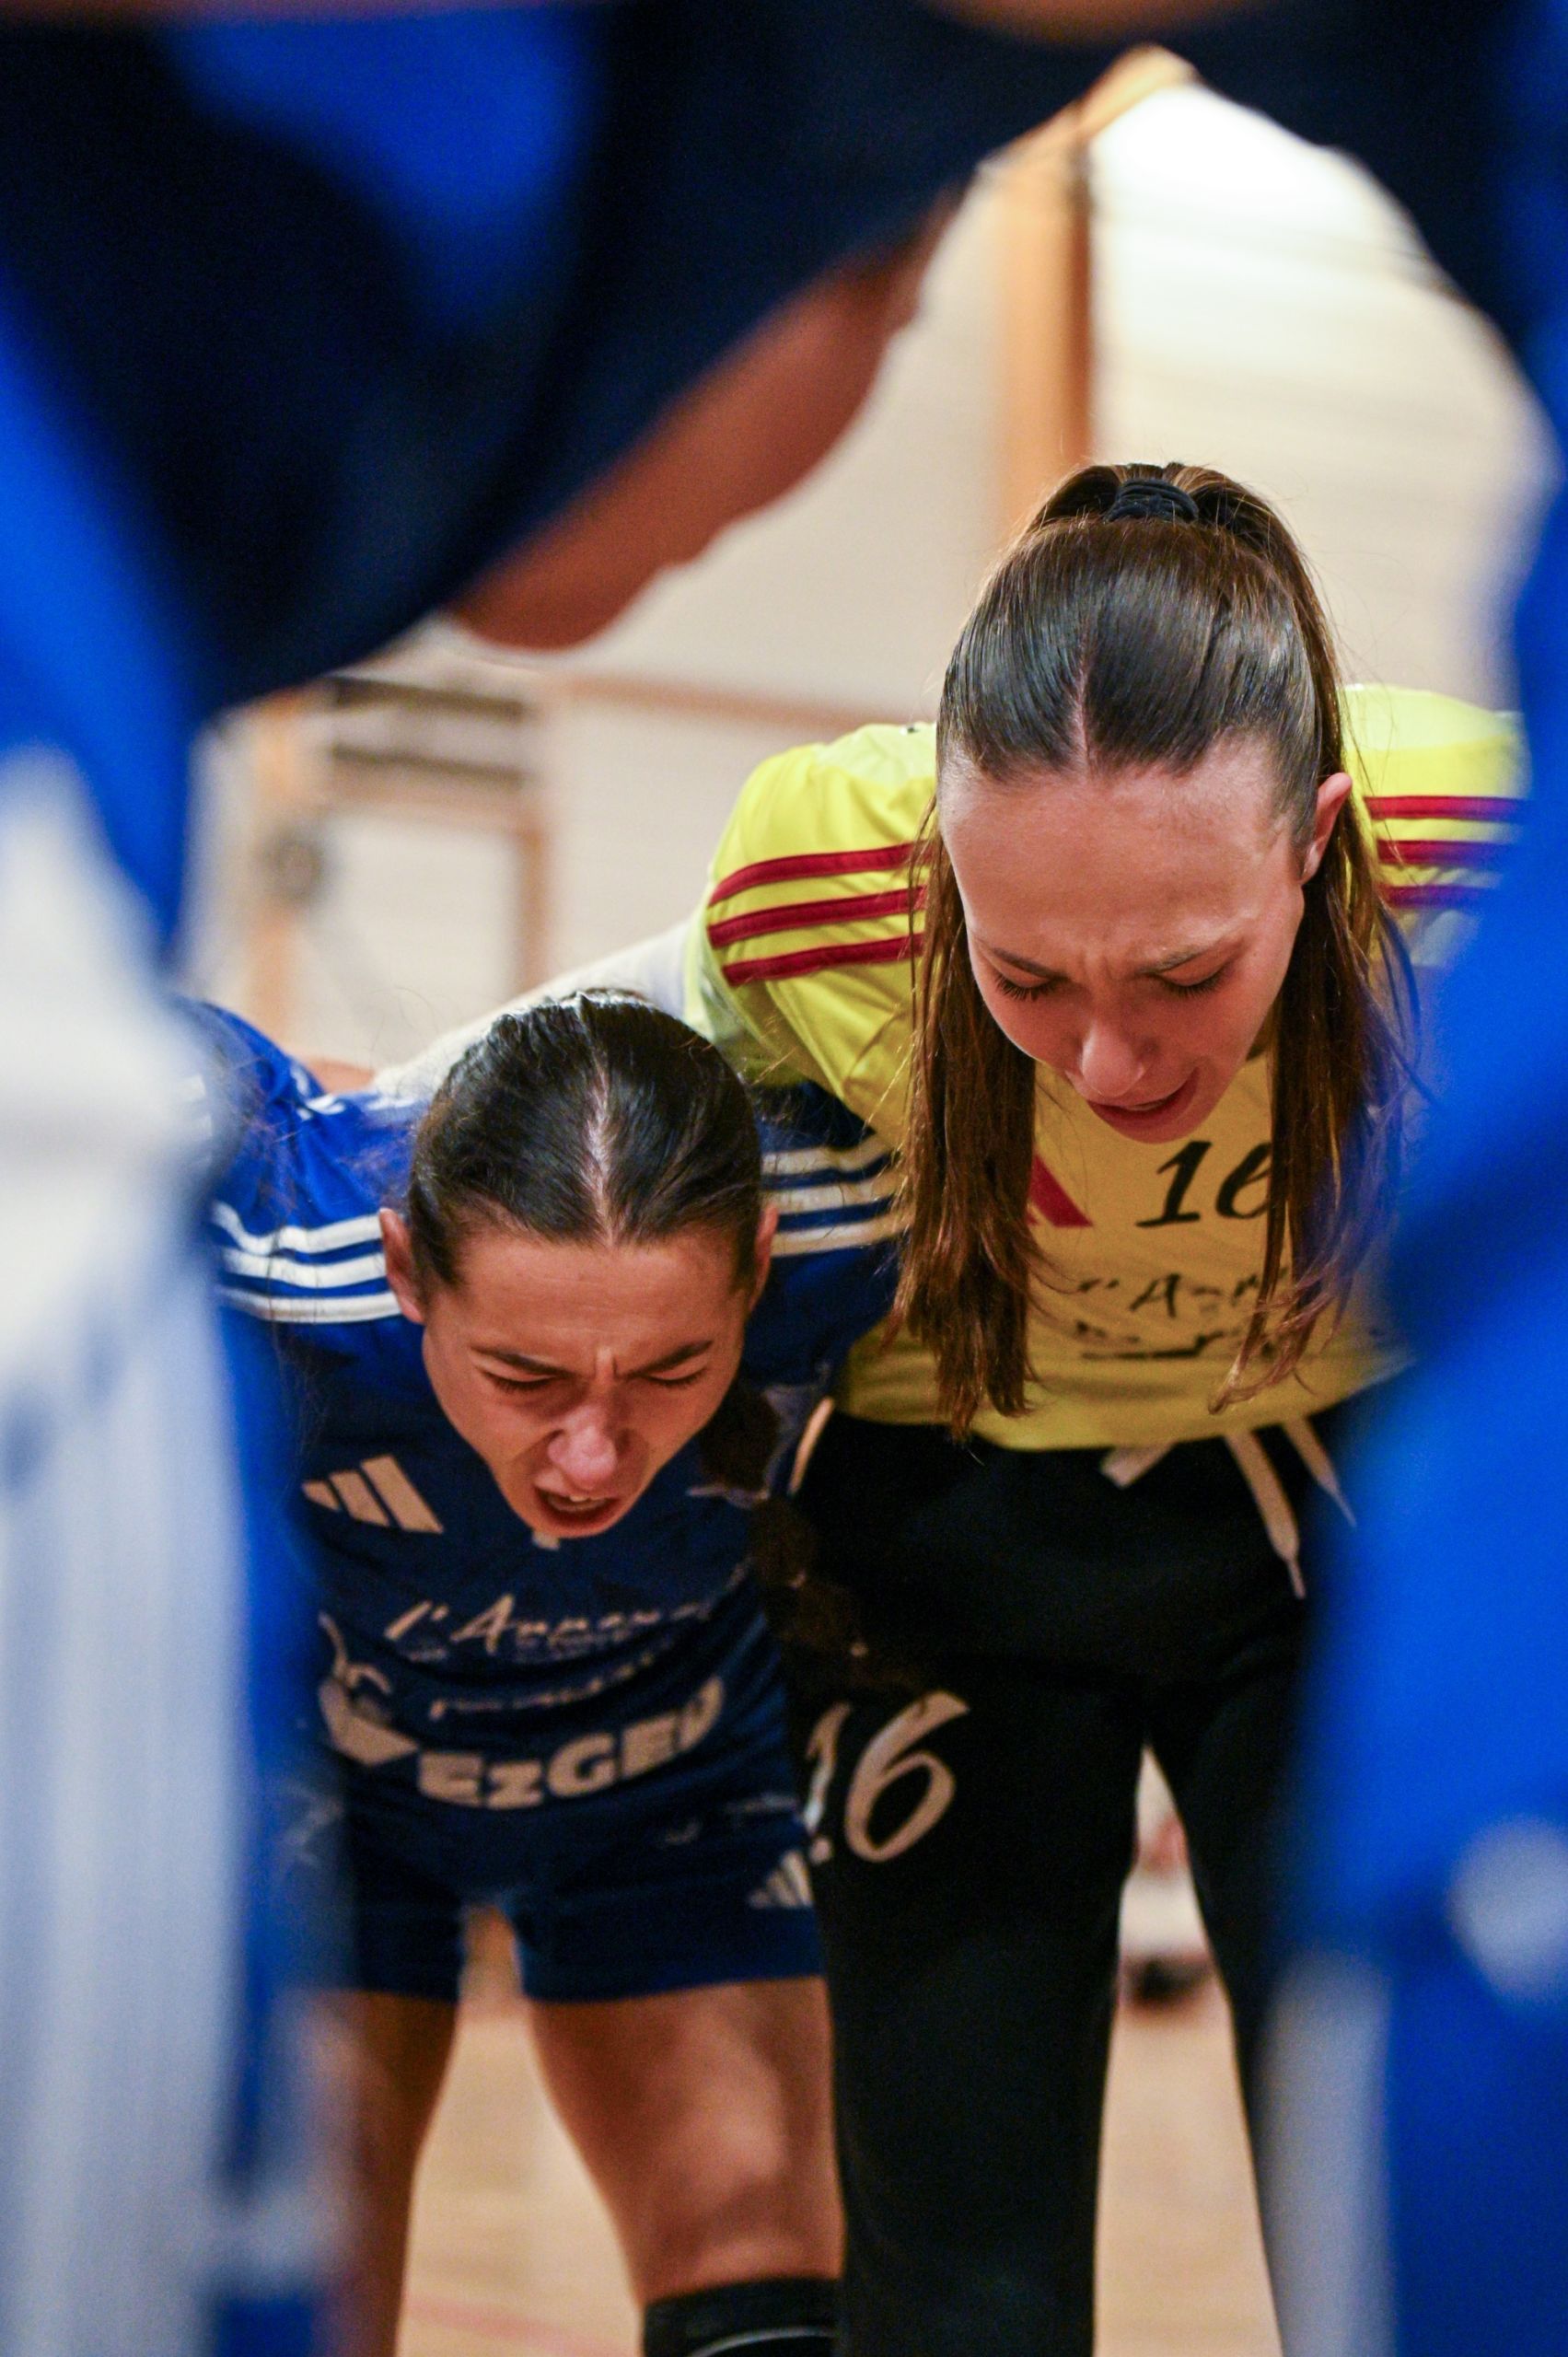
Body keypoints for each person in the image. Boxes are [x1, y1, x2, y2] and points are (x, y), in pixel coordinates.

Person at [651, 461, 1520, 2355]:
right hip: (945, 1516)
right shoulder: (811, 879)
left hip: (1321, 1513)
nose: (1110, 1057)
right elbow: (600, 1153)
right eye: (1024, 973)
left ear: (1321, 844)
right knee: (963, 2277)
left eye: (1185, 972)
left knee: (1419, 2189)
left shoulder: (1487, 842)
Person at [189, 988, 900, 2357]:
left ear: (760, 1266)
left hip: (671, 1774)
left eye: (673, 1369)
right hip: (333, 1800)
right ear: (404, 1270)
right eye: (524, 1377)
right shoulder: (277, 1253)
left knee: (762, 2263)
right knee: (311, 2290)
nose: (591, 1455)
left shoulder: (859, 1215)